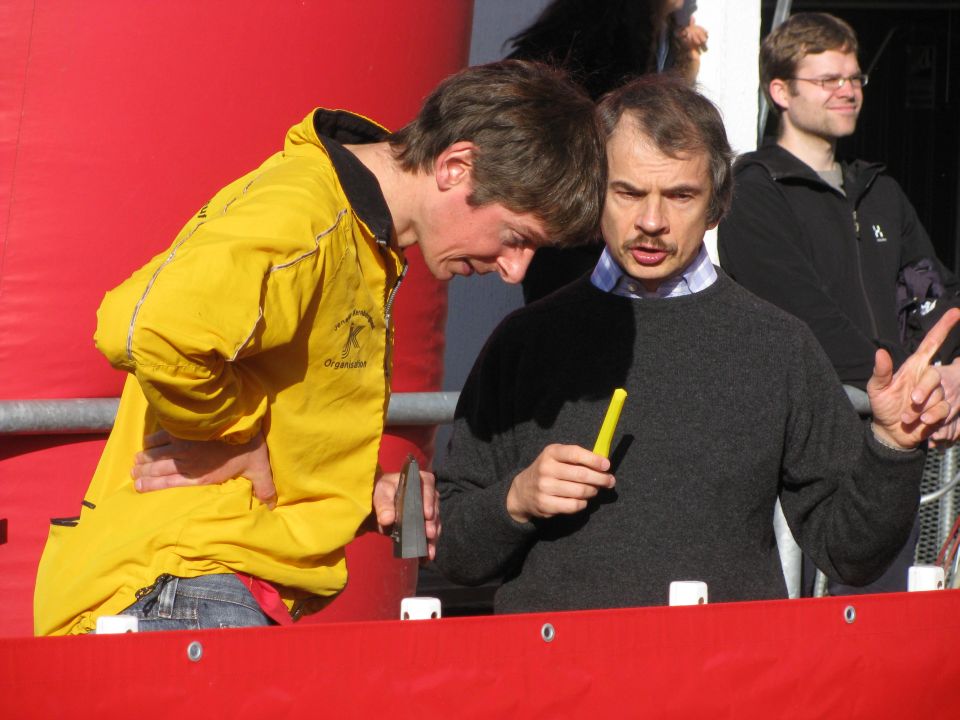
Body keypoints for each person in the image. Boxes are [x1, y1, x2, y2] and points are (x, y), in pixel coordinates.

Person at [33, 60, 606, 635]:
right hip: (187, 584)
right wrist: (231, 437)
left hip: (209, 586)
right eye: (514, 237)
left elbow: (283, 410)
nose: (514, 270)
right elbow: (147, 326)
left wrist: (360, 491)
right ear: (457, 167)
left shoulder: (361, 237)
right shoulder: (309, 213)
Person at [433, 75, 957, 614]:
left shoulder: (778, 345)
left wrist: (892, 446)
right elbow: (452, 553)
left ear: (718, 204)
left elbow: (851, 554)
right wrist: (516, 500)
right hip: (558, 661)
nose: (652, 221)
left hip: (730, 662)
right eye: (629, 193)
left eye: (680, 196)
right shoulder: (526, 342)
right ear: (594, 193)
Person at [717, 12, 960, 594]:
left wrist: (944, 372)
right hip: (808, 450)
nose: (847, 90)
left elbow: (933, 295)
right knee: (807, 618)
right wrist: (906, 386)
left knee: (886, 613)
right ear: (780, 91)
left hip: (893, 444)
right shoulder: (754, 191)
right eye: (828, 79)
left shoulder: (881, 191)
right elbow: (802, 316)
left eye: (854, 78)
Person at [507, 0, 709, 304]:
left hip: (601, 227)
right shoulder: (594, 29)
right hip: (573, 230)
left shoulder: (656, 36)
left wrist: (683, 66)